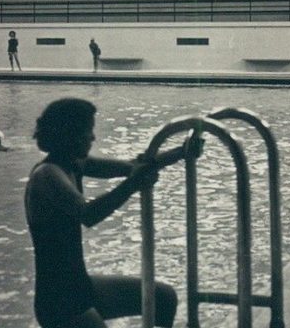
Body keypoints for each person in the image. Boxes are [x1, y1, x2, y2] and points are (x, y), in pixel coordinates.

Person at [24, 98, 200, 328]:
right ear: (70, 135)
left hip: (80, 286)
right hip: (59, 303)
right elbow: (88, 214)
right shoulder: (47, 175)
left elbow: (132, 167)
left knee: (163, 298)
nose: (93, 137)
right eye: (88, 131)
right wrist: (134, 184)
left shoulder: (75, 164)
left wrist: (180, 153)